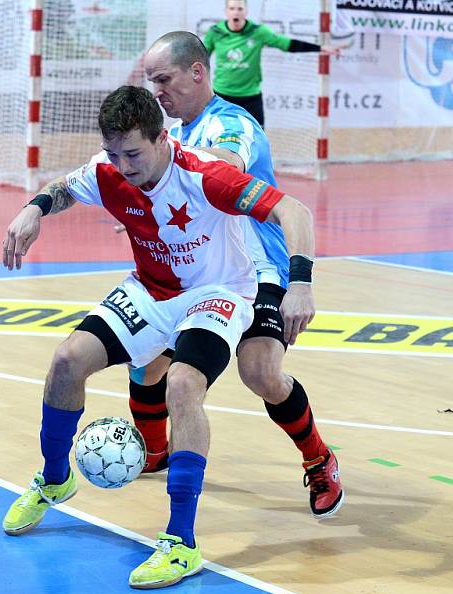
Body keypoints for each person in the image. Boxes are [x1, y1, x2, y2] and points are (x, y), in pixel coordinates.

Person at [0, 85, 317, 590]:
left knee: (184, 386)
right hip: (151, 291)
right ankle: (55, 479)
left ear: (161, 139)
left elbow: (294, 211)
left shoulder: (205, 176)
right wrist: (34, 208)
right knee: (67, 360)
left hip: (218, 292)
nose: (123, 166)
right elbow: (66, 185)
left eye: (133, 154)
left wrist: (299, 281)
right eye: (113, 153)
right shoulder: (109, 171)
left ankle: (180, 543)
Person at [130, 31, 343, 520]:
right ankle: (156, 450)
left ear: (197, 72)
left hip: (256, 270)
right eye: (150, 82)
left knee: (260, 372)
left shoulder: (233, 127)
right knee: (145, 360)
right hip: (194, 272)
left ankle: (319, 458)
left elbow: (222, 170)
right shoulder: (171, 134)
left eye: (163, 79)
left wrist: (301, 282)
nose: (157, 92)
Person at [204, 0, 341, 128]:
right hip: (222, 95)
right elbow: (201, 59)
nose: (236, 12)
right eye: (232, 8)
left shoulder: (258, 31)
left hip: (251, 97)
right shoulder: (215, 32)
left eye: (240, 8)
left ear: (246, 12)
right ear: (226, 12)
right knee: (217, 135)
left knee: (258, 140)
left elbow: (285, 44)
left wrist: (321, 48)